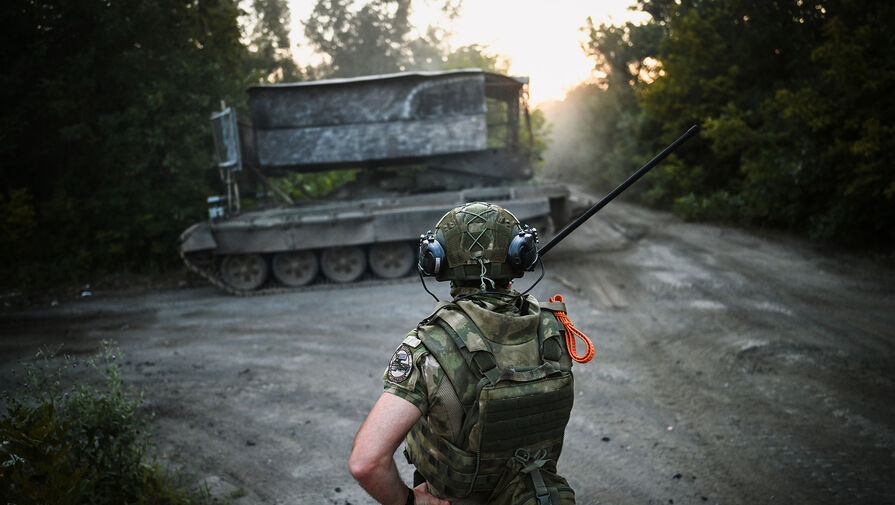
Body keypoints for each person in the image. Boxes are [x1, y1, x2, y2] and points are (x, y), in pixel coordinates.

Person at [350, 202, 584, 505]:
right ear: (521, 256)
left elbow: (366, 463)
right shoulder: (553, 328)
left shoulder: (430, 349)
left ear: (436, 261)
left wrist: (411, 502)